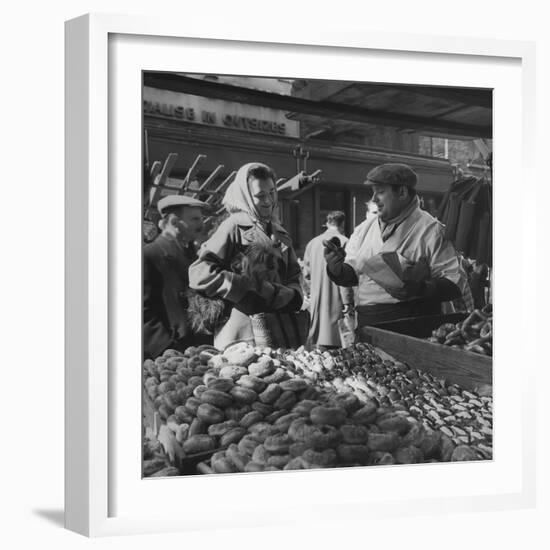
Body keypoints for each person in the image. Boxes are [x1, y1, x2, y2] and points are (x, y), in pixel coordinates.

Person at [323, 163, 468, 327]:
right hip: (368, 323)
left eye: (381, 192)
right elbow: (353, 274)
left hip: (414, 324)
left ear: (402, 192)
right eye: (373, 192)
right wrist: (337, 269)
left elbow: (456, 282)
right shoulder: (363, 229)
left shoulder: (432, 230)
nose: (374, 199)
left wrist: (421, 289)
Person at [188, 162, 303, 350]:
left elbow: (293, 276)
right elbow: (199, 272)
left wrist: (290, 294)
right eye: (260, 195)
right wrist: (245, 288)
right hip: (241, 335)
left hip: (277, 331)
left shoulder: (280, 231)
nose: (268, 201)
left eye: (272, 193)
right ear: (246, 196)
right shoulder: (233, 226)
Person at [143, 194, 211, 359]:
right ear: (174, 222)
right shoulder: (149, 254)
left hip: (197, 350)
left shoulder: (194, 255)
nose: (201, 225)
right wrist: (166, 349)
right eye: (195, 219)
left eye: (201, 219)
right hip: (171, 356)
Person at [303, 211, 354, 348]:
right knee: (339, 345)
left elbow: (306, 275)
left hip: (317, 300)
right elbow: (347, 274)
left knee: (320, 344)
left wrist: (310, 294)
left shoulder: (312, 243)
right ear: (342, 224)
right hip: (337, 302)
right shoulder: (345, 242)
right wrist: (348, 301)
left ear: (327, 223)